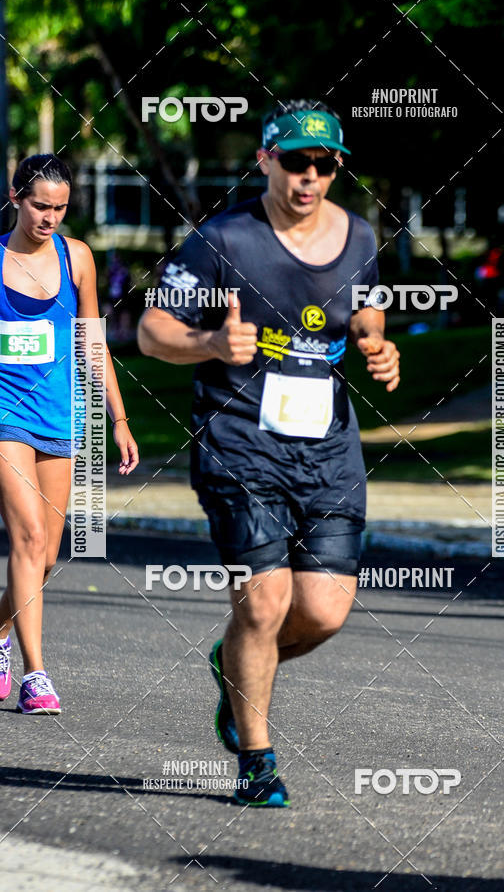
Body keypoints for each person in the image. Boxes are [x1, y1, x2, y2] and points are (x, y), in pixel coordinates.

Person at [137, 100, 399, 807]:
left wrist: (377, 343)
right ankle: (257, 761)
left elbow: (366, 309)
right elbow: (152, 331)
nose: (310, 176)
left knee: (325, 611)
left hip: (328, 448)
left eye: (325, 164)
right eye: (296, 161)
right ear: (266, 160)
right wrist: (211, 345)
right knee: (265, 601)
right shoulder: (223, 241)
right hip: (238, 441)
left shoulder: (360, 236)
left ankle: (234, 668)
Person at [0, 154, 138, 715]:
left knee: (47, 555)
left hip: (61, 418)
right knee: (28, 539)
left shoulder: (76, 258)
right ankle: (36, 675)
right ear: (15, 198)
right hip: (5, 416)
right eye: (39, 206)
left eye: (59, 208)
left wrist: (119, 420)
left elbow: (92, 343)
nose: (50, 218)